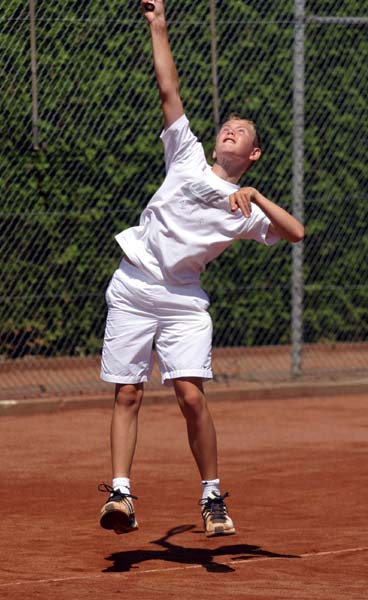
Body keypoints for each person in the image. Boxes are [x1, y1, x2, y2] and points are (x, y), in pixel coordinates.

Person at [98, 0, 304, 538]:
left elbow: (296, 233)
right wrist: (158, 26)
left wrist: (256, 196)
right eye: (227, 126)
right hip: (133, 285)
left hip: (184, 301)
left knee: (191, 396)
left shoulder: (246, 209)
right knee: (128, 392)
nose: (231, 129)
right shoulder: (185, 155)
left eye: (242, 130)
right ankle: (120, 494)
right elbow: (168, 88)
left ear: (254, 153)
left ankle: (212, 498)